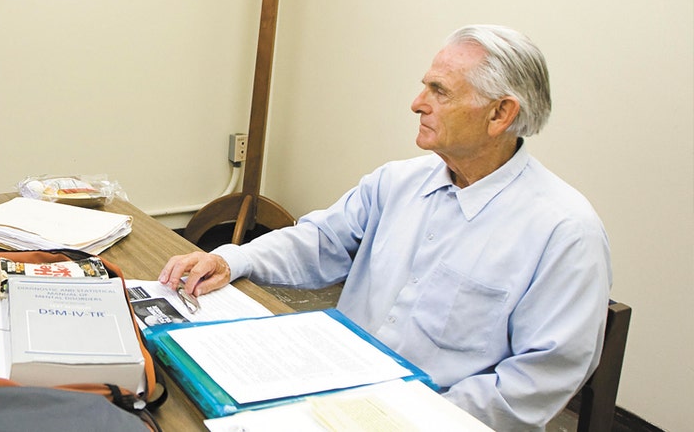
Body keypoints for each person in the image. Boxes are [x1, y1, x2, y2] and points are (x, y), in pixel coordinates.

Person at [160, 25, 612, 431]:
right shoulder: (398, 181)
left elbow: (536, 380)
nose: (418, 104)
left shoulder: (564, 230)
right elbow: (320, 241)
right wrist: (230, 258)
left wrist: (411, 418)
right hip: (330, 391)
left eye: (440, 92)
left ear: (500, 115)